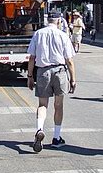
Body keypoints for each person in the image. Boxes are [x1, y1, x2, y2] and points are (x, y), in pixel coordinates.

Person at [27, 11, 76, 152]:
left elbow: (31, 57)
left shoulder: (38, 34)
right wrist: (73, 79)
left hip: (42, 71)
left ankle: (39, 129)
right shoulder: (63, 35)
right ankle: (56, 137)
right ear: (59, 21)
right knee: (58, 105)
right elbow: (69, 60)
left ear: (47, 20)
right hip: (59, 71)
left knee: (42, 105)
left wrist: (30, 76)